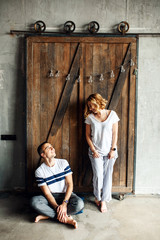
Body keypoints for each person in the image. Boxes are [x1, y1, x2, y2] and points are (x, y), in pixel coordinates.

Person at [30, 142, 84, 229]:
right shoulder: (39, 171)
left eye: (52, 146)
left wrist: (64, 204)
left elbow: (70, 184)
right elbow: (47, 194)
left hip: (66, 195)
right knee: (34, 202)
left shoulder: (63, 163)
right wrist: (57, 207)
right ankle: (65, 218)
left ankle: (47, 215)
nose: (52, 148)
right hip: (51, 196)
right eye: (48, 148)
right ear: (42, 154)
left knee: (79, 204)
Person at [84, 93, 120, 213]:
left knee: (107, 176)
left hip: (110, 151)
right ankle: (97, 197)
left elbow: (115, 134)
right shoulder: (90, 118)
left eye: (92, 105)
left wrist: (113, 150)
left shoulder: (112, 114)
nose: (90, 108)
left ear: (98, 102)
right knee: (99, 175)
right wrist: (94, 150)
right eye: (89, 106)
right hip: (96, 152)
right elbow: (88, 136)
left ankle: (103, 200)